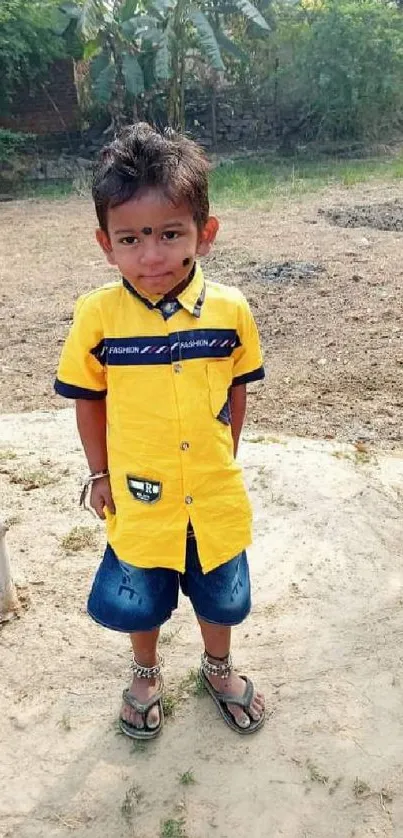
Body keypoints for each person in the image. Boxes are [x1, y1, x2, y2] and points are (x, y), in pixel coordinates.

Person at [55, 122, 266, 740]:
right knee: (139, 594)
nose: (152, 256)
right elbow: (88, 401)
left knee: (222, 593)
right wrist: (99, 473)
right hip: (138, 493)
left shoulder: (230, 310)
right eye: (131, 238)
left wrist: (223, 456)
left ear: (205, 232)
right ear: (105, 242)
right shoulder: (98, 317)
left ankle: (217, 665)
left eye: (170, 234)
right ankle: (145, 672)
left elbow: (236, 390)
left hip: (212, 491)